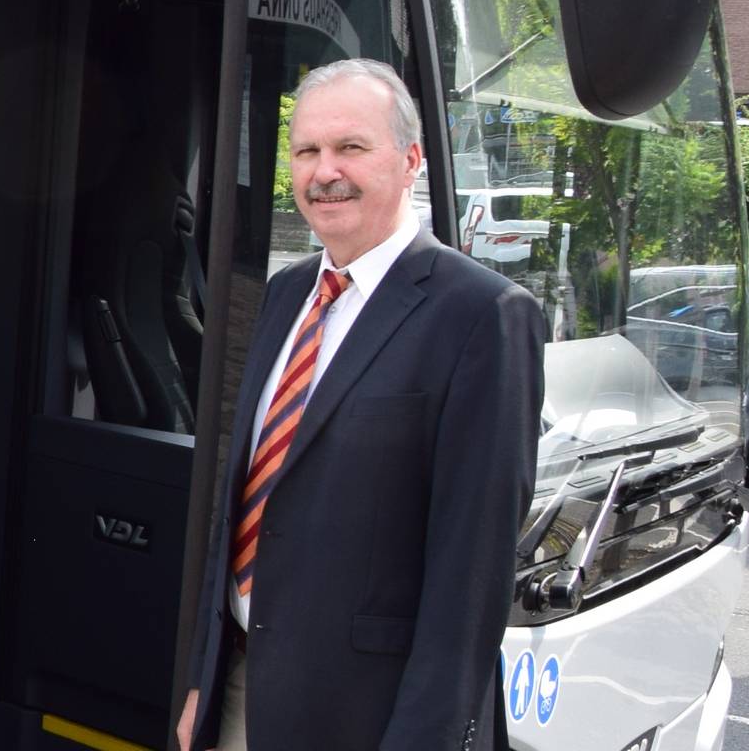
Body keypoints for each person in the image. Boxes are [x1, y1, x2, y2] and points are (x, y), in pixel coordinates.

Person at [177, 59, 541, 751]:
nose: (324, 172)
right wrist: (203, 675)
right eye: (307, 151)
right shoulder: (283, 295)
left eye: (350, 147)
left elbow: (470, 579)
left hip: (366, 719)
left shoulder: (483, 315)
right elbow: (241, 505)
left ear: (409, 161)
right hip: (241, 693)